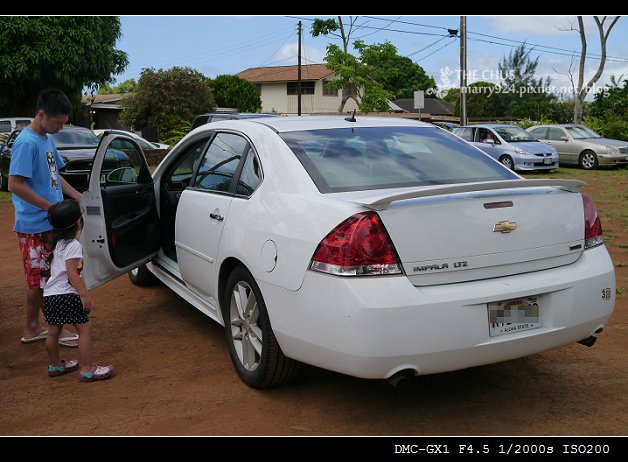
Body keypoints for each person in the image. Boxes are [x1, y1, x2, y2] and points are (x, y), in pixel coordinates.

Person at [8, 89, 82, 347]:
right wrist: (51, 207)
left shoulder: (46, 138)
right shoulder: (26, 143)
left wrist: (76, 196)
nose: (61, 127)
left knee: (46, 278)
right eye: (58, 122)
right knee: (39, 281)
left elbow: (54, 175)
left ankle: (38, 327)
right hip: (33, 224)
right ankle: (42, 328)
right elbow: (14, 185)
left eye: (64, 123)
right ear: (41, 115)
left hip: (48, 221)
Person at [44, 199, 114, 381]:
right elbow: (72, 274)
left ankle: (55, 366)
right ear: (78, 222)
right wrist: (84, 295)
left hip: (50, 295)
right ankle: (87, 369)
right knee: (84, 330)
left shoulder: (56, 243)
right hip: (67, 295)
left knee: (53, 332)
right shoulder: (74, 246)